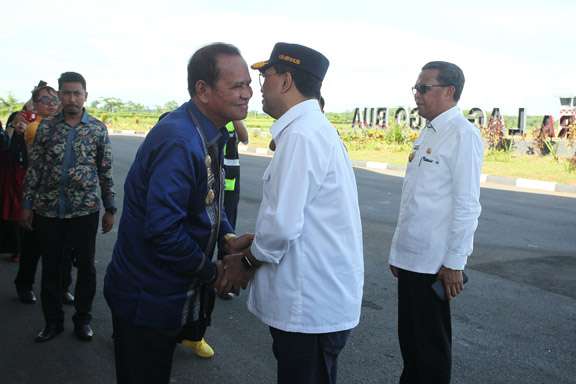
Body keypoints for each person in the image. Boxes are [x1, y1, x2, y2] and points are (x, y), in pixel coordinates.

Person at [103, 42, 252, 384]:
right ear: (203, 90)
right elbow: (163, 231)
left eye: (248, 84)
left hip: (167, 295)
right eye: (237, 85)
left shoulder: (207, 130)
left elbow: (208, 199)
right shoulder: (180, 140)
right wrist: (212, 272)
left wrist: (227, 235)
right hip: (147, 299)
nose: (247, 93)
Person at [218, 42, 364, 384]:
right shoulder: (309, 131)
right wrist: (255, 240)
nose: (258, 86)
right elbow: (305, 218)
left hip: (309, 304)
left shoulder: (302, 136)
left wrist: (248, 263)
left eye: (265, 75)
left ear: (285, 81)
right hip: (312, 299)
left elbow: (283, 225)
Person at [388, 61, 483, 384]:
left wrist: (455, 262)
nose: (416, 94)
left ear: (449, 91)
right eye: (416, 88)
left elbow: (467, 204)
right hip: (413, 259)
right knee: (412, 347)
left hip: (434, 264)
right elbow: (415, 200)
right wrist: (398, 253)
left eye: (423, 88)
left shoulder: (462, 135)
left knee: (430, 351)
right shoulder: (429, 132)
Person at [21, 72, 116, 343]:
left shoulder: (97, 129)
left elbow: (105, 171)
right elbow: (35, 169)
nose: (72, 98)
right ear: (60, 96)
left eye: (77, 93)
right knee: (51, 267)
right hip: (48, 210)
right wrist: (26, 205)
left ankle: (82, 320)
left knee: (85, 267)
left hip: (84, 211)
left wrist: (110, 208)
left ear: (86, 95)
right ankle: (52, 323)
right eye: (66, 93)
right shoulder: (46, 128)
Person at [11, 82, 75, 305]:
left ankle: (62, 286)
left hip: (63, 198)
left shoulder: (64, 124)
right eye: (44, 100)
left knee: (65, 249)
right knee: (33, 247)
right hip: (39, 196)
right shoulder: (34, 127)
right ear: (35, 105)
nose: (51, 104)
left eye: (53, 99)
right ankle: (25, 285)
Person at [217, 119, 248, 300]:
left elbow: (244, 138)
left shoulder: (233, 122)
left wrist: (235, 118)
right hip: (213, 172)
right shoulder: (211, 117)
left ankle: (225, 278)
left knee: (228, 228)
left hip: (230, 178)